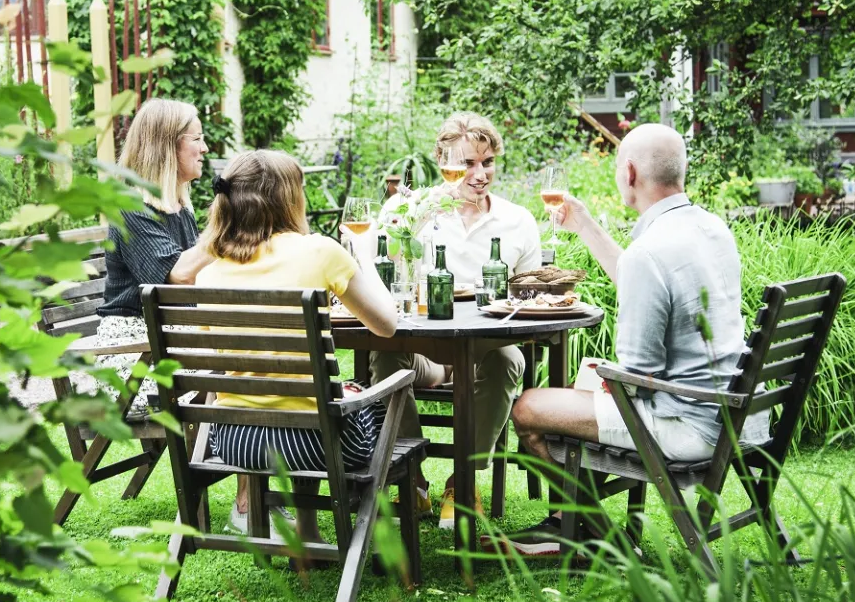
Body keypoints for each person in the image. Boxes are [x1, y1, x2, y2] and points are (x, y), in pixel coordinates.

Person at [499, 123, 768, 556]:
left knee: (529, 408)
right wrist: (584, 225)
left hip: (688, 426)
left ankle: (603, 537)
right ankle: (570, 527)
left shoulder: (651, 251)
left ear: (629, 173)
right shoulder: (709, 227)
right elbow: (637, 276)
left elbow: (637, 376)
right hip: (735, 413)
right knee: (584, 381)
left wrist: (600, 382)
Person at [195, 150, 398, 533]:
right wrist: (367, 257)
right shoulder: (320, 251)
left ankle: (307, 528)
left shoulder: (209, 275)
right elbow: (386, 325)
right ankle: (398, 514)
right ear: (289, 197)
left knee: (319, 403)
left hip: (236, 443)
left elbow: (217, 365)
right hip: (318, 446)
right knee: (381, 405)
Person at [369, 112, 542, 528]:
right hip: (424, 350)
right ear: (443, 161)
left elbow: (529, 296)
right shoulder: (413, 210)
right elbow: (379, 277)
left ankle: (462, 480)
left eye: (488, 162)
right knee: (384, 356)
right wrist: (406, 225)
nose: (480, 174)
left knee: (509, 360)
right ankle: (412, 479)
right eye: (468, 163)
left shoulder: (517, 220)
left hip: (484, 348)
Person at [75, 99, 213, 403]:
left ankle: (232, 450)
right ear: (167, 146)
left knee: (253, 366)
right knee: (240, 376)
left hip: (170, 347)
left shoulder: (179, 209)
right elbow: (178, 274)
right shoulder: (132, 209)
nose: (205, 148)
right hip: (136, 364)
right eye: (197, 138)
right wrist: (231, 228)